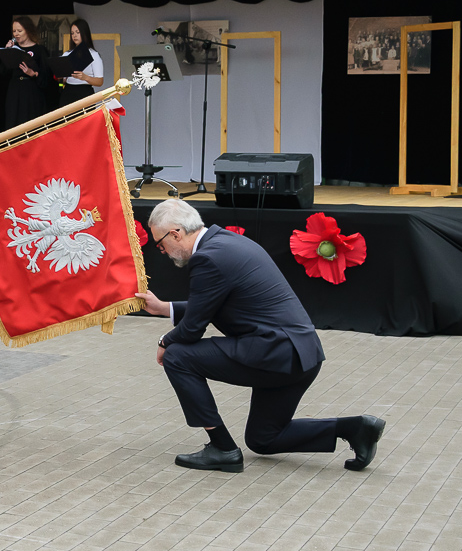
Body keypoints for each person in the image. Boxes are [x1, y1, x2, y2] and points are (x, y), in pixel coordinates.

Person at [135, 200, 385, 473]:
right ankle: (356, 428)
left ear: (175, 233)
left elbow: (194, 328)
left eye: (160, 244)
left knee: (178, 356)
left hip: (275, 353)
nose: (161, 251)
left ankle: (222, 448)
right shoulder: (228, 242)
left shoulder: (207, 258)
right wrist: (164, 308)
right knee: (263, 438)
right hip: (302, 355)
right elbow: (211, 305)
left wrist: (164, 342)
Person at [2, 16, 50, 129]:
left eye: (19, 31)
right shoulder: (13, 49)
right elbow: (3, 72)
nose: (16, 34)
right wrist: (6, 52)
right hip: (15, 91)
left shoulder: (40, 50)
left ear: (28, 30)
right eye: (14, 31)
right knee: (14, 124)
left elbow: (46, 77)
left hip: (32, 92)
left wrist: (33, 74)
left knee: (31, 125)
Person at [59, 19, 104, 107]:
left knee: (85, 120)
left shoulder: (93, 54)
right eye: (72, 33)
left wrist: (85, 77)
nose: (74, 36)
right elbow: (63, 79)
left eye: (77, 32)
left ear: (84, 33)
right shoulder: (67, 54)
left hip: (84, 92)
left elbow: (100, 81)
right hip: (68, 92)